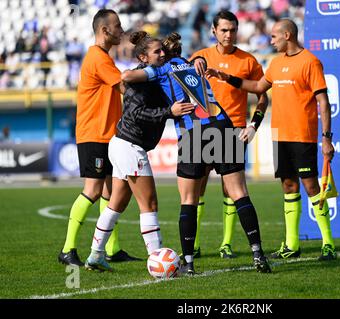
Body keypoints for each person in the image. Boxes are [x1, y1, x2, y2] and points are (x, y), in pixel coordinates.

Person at [123, 32, 272, 275]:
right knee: (240, 193)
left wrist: (145, 72)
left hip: (194, 132)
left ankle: (189, 264)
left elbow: (127, 76)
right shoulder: (190, 62)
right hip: (223, 125)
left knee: (189, 200)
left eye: (161, 52)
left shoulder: (160, 69)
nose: (160, 55)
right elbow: (196, 64)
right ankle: (258, 253)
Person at [206, 18, 337, 261]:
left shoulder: (310, 62)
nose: (271, 40)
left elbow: (323, 102)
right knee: (288, 186)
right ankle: (291, 244)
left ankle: (328, 243)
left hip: (302, 135)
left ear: (287, 35)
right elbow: (257, 86)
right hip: (280, 135)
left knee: (311, 187)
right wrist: (225, 76)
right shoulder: (276, 64)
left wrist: (326, 138)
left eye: (274, 36)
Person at [85, 32, 194, 271]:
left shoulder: (154, 76)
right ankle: (159, 263)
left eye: (163, 51)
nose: (162, 55)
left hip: (123, 145)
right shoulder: (140, 80)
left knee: (116, 205)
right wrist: (169, 112)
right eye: (157, 52)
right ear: (144, 57)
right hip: (129, 146)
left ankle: (95, 255)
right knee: (150, 204)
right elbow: (135, 114)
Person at [58, 9, 139, 267]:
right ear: (105, 31)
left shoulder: (101, 57)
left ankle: (112, 249)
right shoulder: (98, 58)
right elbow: (126, 89)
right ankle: (68, 248)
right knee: (93, 190)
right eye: (117, 25)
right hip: (94, 133)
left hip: (105, 134)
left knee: (109, 192)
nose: (121, 29)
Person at [190, 10, 268, 259]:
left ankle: (226, 244)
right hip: (200, 129)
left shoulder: (248, 61)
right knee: (196, 187)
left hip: (233, 129)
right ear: (213, 31)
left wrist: (254, 125)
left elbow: (262, 97)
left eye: (233, 29)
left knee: (231, 189)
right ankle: (194, 244)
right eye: (224, 30)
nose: (229, 34)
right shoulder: (200, 56)